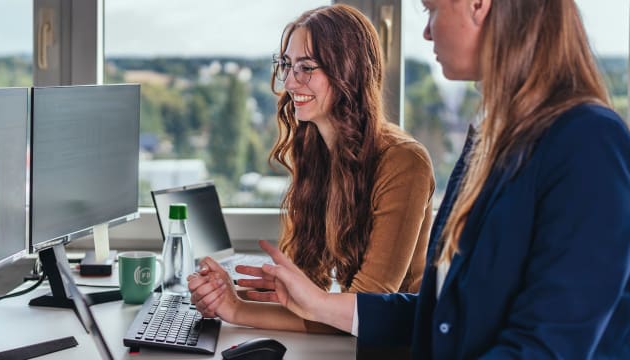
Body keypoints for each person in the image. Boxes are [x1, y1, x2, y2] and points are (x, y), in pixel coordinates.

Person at [190, 0, 630, 357]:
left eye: (432, 10)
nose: (425, 32)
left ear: (479, 5)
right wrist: (306, 303)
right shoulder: (492, 140)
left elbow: (551, 346)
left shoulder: (588, 139)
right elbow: (440, 314)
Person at [188, 4, 435, 333]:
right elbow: (306, 286)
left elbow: (362, 310)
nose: (289, 82)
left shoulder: (403, 162)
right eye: (287, 65)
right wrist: (224, 293)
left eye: (306, 68)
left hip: (395, 346)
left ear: (348, 72)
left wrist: (236, 309)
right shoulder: (316, 151)